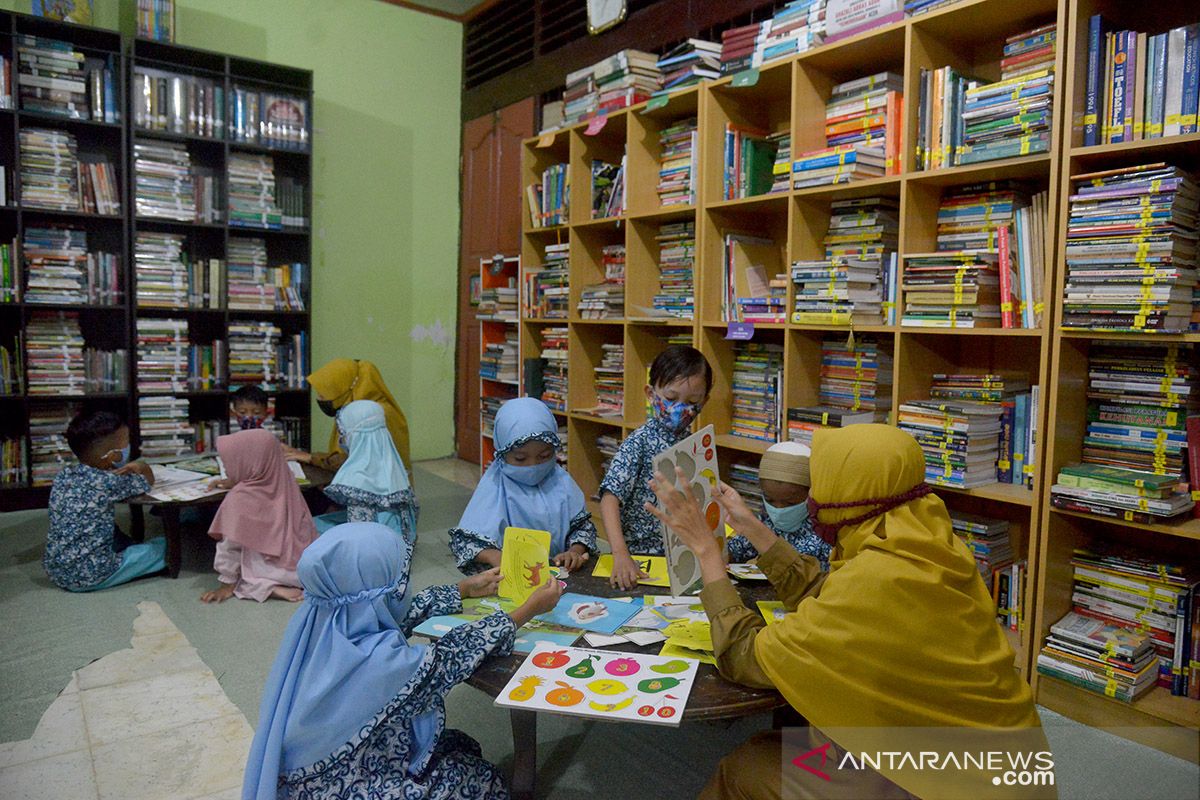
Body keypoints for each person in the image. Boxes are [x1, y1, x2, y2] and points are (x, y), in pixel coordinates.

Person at [646, 424, 1054, 800]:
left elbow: (746, 657)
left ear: (850, 492)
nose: (813, 498)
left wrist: (706, 552)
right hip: (996, 766)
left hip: (942, 784)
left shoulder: (877, 578)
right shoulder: (923, 538)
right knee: (787, 742)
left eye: (822, 485)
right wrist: (754, 527)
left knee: (746, 767)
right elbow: (829, 594)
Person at [242, 521, 564, 799]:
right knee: (484, 781)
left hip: (308, 775)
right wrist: (527, 610)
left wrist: (462, 589)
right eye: (401, 580)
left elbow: (394, 614)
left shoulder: (324, 621)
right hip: (350, 785)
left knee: (460, 746)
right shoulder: (383, 663)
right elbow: (449, 658)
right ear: (380, 593)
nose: (405, 587)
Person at [598, 344, 711, 589]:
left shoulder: (697, 445)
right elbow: (609, 497)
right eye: (670, 399)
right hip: (640, 560)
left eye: (692, 401)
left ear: (705, 401)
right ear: (650, 394)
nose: (680, 409)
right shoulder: (640, 441)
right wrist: (620, 555)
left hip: (683, 560)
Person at [449, 397, 596, 574]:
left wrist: (574, 552)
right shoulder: (495, 488)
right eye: (520, 458)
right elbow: (467, 541)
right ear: (502, 454)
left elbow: (581, 527)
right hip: (511, 578)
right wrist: (497, 557)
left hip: (561, 576)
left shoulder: (561, 481)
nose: (532, 466)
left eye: (544, 456)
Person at [43, 410, 167, 592]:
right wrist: (142, 466)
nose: (128, 448)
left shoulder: (64, 475)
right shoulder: (108, 481)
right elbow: (147, 482)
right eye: (125, 445)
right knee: (165, 546)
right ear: (110, 455)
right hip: (90, 575)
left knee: (109, 530)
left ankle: (125, 550)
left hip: (56, 569)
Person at [201, 428, 318, 604]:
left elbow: (230, 547)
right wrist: (235, 481)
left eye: (229, 463)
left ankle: (267, 587)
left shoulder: (239, 498)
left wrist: (226, 584)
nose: (226, 467)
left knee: (245, 569)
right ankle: (280, 583)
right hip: (299, 569)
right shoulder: (285, 480)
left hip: (266, 570)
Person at [314, 399, 419, 542]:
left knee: (309, 526)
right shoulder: (395, 467)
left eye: (344, 433)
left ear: (355, 435)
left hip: (375, 548)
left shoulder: (358, 476)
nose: (341, 439)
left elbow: (360, 537)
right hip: (402, 544)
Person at [283, 358, 410, 472]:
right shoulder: (351, 409)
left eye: (324, 393)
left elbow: (354, 461)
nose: (320, 399)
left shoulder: (375, 415)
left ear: (344, 390)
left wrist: (310, 458)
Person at [727, 441, 830, 569]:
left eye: (790, 503)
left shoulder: (825, 532)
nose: (779, 510)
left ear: (812, 493)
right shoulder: (766, 522)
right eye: (770, 500)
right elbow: (735, 550)